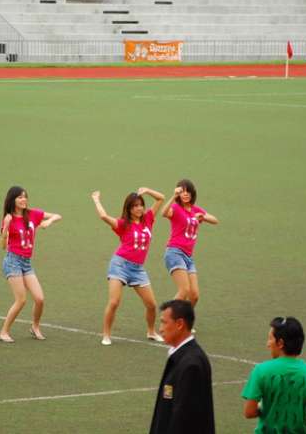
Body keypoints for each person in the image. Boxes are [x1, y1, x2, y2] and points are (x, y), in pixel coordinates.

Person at [91, 187, 166, 346]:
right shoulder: (123, 224)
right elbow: (104, 216)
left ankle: (151, 332)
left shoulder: (148, 219)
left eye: (141, 205)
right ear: (129, 208)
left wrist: (147, 191)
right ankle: (106, 334)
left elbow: (161, 198)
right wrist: (96, 199)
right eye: (135, 206)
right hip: (120, 265)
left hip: (138, 269)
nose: (139, 208)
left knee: (151, 305)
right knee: (114, 302)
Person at [241, 317, 306, 433]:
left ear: (280, 343)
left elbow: (249, 412)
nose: (268, 344)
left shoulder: (261, 370)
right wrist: (300, 410)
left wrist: (265, 407)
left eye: (270, 339)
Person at [0, 186, 61, 343]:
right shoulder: (9, 219)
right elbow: (2, 245)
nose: (23, 199)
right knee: (21, 300)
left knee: (40, 299)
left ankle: (35, 327)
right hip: (12, 261)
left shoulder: (32, 214)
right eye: (20, 197)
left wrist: (49, 221)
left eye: (25, 196)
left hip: (26, 262)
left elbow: (58, 215)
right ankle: (4, 332)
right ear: (12, 200)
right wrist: (6, 227)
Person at [149, 299, 215, 434]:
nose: (160, 329)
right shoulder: (182, 356)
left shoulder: (191, 364)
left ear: (179, 324)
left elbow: (185, 418)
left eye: (164, 322)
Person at [161, 179, 218, 309]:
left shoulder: (195, 209)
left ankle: (184, 323)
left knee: (194, 295)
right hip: (175, 252)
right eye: (182, 191)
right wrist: (173, 196)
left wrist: (203, 217)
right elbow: (164, 213)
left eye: (188, 191)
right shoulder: (175, 208)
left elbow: (215, 220)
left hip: (188, 256)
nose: (185, 194)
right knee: (184, 290)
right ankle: (166, 320)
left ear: (192, 194)